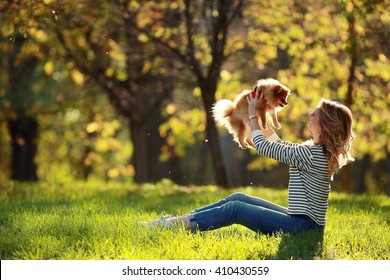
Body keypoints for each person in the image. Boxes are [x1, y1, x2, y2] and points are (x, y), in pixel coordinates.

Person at [139, 95, 354, 235]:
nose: (310, 114)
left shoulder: (312, 154)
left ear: (324, 124)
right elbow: (278, 144)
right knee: (239, 198)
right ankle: (181, 221)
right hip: (303, 223)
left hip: (303, 227)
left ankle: (175, 225)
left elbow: (263, 146)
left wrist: (252, 114)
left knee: (236, 209)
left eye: (314, 113)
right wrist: (262, 116)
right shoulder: (315, 151)